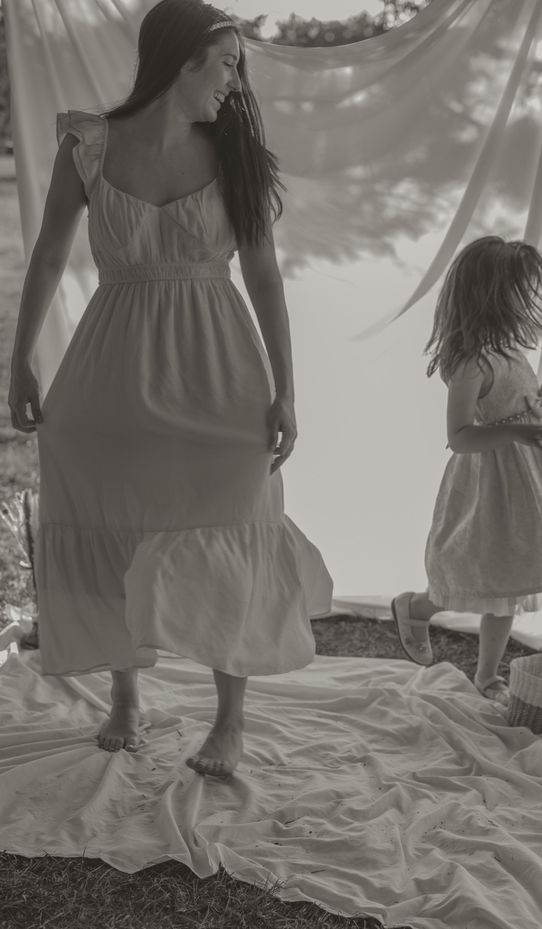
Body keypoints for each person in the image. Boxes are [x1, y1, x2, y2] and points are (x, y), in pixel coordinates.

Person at [6, 0, 332, 778]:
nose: (235, 80)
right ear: (182, 60)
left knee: (233, 523)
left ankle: (229, 719)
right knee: (110, 515)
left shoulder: (235, 152)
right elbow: (48, 257)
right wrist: (18, 359)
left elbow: (262, 274)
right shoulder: (87, 146)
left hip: (217, 366)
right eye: (226, 62)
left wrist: (287, 390)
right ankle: (125, 692)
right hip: (113, 363)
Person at [391, 237, 542, 704]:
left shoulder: (503, 345)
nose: (526, 305)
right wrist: (518, 433)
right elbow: (460, 436)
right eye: (517, 295)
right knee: (477, 577)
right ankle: (415, 607)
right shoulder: (470, 362)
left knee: (509, 583)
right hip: (493, 484)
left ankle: (487, 676)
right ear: (490, 298)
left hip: (535, 480)